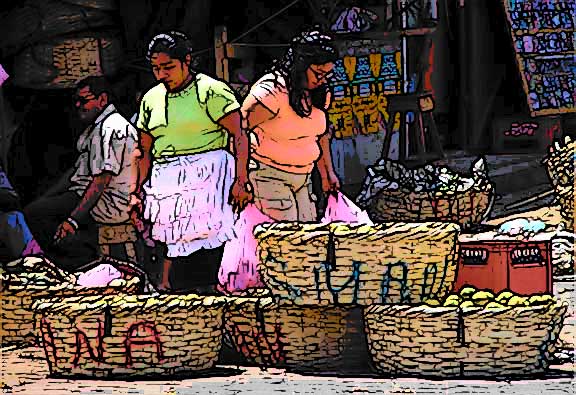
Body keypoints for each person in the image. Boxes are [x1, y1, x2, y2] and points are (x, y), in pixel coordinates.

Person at [135, 31, 251, 291]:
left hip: (210, 178)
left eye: (168, 67)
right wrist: (137, 191)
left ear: (187, 61)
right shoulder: (150, 99)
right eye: (156, 68)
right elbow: (144, 150)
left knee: (210, 245)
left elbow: (240, 136)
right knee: (172, 246)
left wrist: (241, 181)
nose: (162, 74)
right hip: (166, 182)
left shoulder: (212, 91)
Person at [23, 76, 140, 271]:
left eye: (84, 100)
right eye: (76, 100)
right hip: (88, 192)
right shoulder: (96, 127)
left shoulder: (111, 128)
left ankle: (81, 261)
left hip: (108, 200)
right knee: (39, 207)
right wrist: (48, 196)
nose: (78, 105)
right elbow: (76, 171)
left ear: (102, 100)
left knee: (36, 214)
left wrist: (73, 220)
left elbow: (101, 180)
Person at [241, 30, 341, 222]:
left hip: (304, 179)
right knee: (286, 244)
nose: (322, 80)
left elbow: (320, 137)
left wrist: (328, 174)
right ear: (301, 65)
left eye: (327, 74)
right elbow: (239, 132)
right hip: (268, 177)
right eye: (318, 74)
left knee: (307, 241)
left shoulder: (320, 94)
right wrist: (241, 180)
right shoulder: (273, 90)